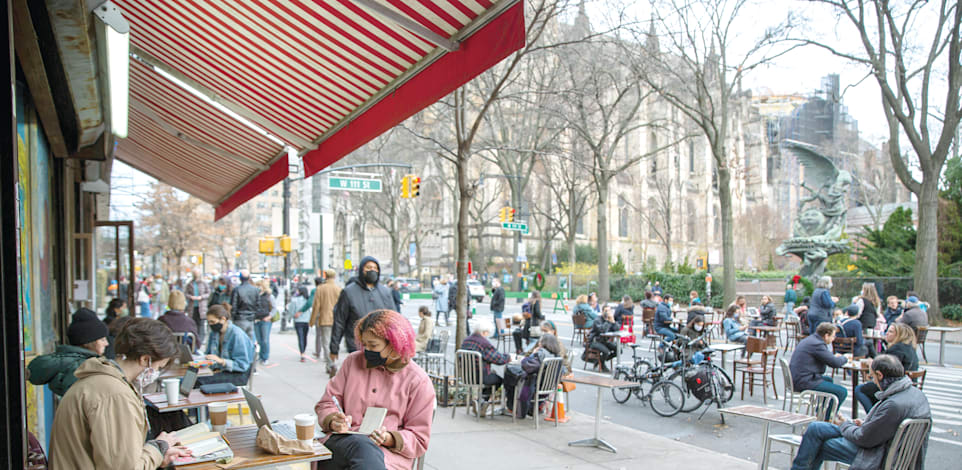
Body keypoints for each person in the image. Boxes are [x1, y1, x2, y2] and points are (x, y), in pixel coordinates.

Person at [49, 317, 191, 468]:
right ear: (145, 360)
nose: (157, 372)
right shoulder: (115, 394)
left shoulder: (103, 382)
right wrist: (159, 447)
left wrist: (156, 455)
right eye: (159, 367)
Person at [315, 310, 435, 470]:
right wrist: (333, 420)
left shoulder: (418, 381)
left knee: (364, 449)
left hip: (386, 455)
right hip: (342, 445)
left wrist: (390, 438)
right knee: (360, 445)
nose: (367, 351)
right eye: (364, 344)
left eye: (373, 345)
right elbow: (326, 403)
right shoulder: (352, 363)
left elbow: (419, 438)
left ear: (395, 344)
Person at [790, 354, 931, 470]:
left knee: (819, 445)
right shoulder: (915, 394)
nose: (873, 382)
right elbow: (884, 427)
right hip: (888, 444)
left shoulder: (893, 404)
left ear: (880, 375)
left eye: (872, 377)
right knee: (816, 428)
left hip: (881, 454)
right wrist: (864, 423)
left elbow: (863, 438)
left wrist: (845, 424)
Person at [28, 308, 110, 396]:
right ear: (88, 342)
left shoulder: (68, 362)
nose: (106, 343)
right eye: (102, 340)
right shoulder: (84, 367)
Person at [330, 256, 395, 362]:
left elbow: (394, 320)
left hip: (382, 348)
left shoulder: (385, 292)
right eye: (368, 267)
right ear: (361, 270)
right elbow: (339, 321)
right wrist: (334, 348)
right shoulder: (349, 292)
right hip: (357, 347)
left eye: (375, 268)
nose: (372, 270)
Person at [854, 324, 919, 413]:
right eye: (887, 331)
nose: (887, 333)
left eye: (891, 331)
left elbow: (885, 369)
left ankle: (873, 416)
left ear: (899, 335)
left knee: (860, 389)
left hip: (894, 387)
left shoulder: (897, 349)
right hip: (907, 386)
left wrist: (871, 364)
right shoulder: (909, 348)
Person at [790, 323, 848, 412]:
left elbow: (827, 357)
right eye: (833, 336)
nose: (834, 338)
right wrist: (845, 357)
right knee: (841, 392)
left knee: (828, 380)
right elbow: (835, 363)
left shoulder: (812, 340)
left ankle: (821, 412)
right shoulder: (817, 344)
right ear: (826, 335)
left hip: (799, 377)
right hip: (804, 381)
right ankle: (827, 418)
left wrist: (834, 357)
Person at [504, 333, 564, 418]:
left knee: (510, 377)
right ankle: (531, 407)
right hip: (549, 387)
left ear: (543, 343)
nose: (539, 343)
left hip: (535, 385)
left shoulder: (541, 353)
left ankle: (513, 407)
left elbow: (528, 367)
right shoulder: (557, 356)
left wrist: (532, 354)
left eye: (540, 342)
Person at [198, 305, 255, 386]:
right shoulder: (214, 333)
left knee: (199, 381)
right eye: (209, 322)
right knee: (191, 378)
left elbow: (242, 365)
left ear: (223, 319)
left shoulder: (237, 335)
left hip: (238, 374)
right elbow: (208, 355)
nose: (210, 325)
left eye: (212, 322)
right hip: (220, 370)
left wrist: (221, 361)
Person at [460, 320, 510, 402]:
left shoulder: (466, 340)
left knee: (492, 375)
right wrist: (508, 357)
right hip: (480, 376)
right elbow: (499, 360)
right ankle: (482, 401)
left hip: (466, 376)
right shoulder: (484, 343)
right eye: (488, 333)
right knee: (498, 380)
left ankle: (480, 402)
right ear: (484, 332)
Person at [311, 270, 342, 374]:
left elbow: (316, 306)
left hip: (325, 319)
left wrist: (312, 320)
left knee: (326, 342)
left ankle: (330, 364)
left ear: (326, 276)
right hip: (337, 319)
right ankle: (332, 362)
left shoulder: (320, 288)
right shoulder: (339, 289)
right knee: (335, 342)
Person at [585, 307, 619, 372]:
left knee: (618, 349)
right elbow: (602, 330)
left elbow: (617, 330)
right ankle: (602, 365)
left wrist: (613, 322)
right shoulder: (598, 320)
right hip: (596, 341)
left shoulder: (610, 320)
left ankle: (600, 360)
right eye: (606, 310)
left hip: (605, 341)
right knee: (606, 351)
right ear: (602, 311)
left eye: (609, 310)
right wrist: (607, 321)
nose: (607, 312)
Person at [229, 270, 259, 340]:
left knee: (240, 340)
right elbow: (258, 305)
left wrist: (233, 317)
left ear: (240, 278)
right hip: (250, 318)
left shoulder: (237, 289)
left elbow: (233, 305)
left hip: (240, 318)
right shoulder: (255, 290)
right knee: (250, 340)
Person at [184, 269, 210, 344]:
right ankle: (194, 340)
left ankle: (201, 340)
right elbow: (186, 293)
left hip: (201, 307)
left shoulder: (204, 283)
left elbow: (208, 293)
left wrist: (201, 297)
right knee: (193, 323)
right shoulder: (190, 283)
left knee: (201, 324)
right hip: (192, 307)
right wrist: (191, 297)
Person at [254, 278, 274, 364]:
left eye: (259, 286)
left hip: (265, 320)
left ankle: (265, 357)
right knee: (259, 340)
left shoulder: (269, 296)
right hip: (256, 319)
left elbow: (274, 308)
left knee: (265, 339)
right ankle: (261, 356)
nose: (258, 287)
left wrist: (269, 316)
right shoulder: (255, 296)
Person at [290, 285, 311, 362]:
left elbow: (291, 310)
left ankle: (302, 352)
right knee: (305, 337)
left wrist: (291, 317)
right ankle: (303, 350)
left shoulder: (295, 300)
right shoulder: (308, 300)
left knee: (300, 337)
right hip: (306, 320)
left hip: (298, 320)